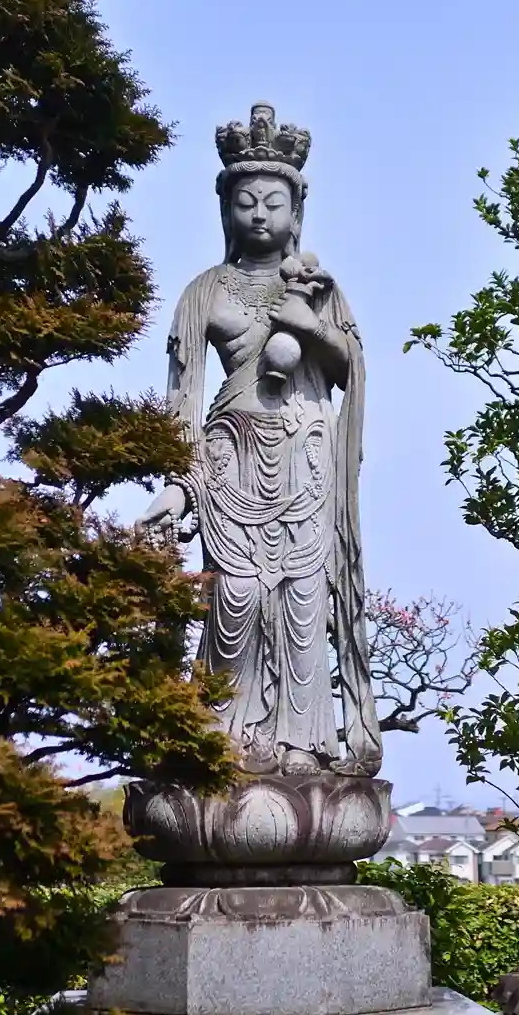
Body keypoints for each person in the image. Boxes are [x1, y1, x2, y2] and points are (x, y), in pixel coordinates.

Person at [140, 103, 382, 778]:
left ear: (296, 212)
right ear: (226, 211)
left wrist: (309, 325)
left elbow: (350, 369)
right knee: (235, 598)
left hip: (306, 456)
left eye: (273, 203)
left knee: (305, 602)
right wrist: (177, 485)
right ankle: (217, 741)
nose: (259, 215)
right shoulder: (203, 292)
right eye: (245, 202)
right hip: (230, 459)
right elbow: (182, 398)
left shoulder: (318, 288)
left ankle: (304, 746)